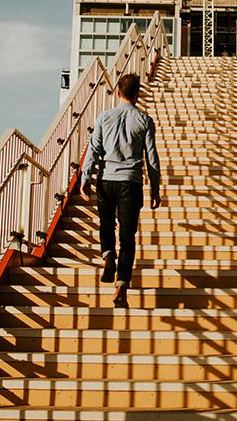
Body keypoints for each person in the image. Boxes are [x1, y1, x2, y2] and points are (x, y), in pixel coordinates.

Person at [80, 72, 161, 309]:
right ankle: (122, 286)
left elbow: (93, 150)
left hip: (106, 180)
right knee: (127, 236)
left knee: (106, 224)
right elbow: (152, 159)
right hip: (131, 183)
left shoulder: (104, 117)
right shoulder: (145, 121)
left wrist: (86, 178)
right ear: (138, 95)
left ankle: (107, 256)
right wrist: (155, 189)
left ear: (117, 93)